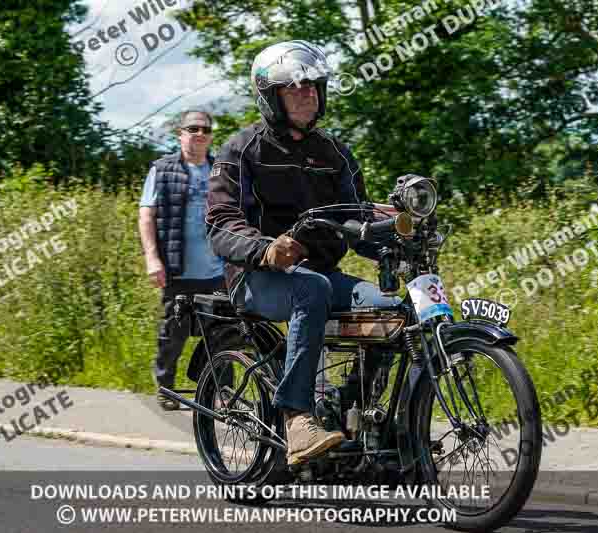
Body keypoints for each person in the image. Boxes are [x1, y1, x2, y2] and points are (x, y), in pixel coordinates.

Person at [205, 41, 401, 466]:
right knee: (309, 288)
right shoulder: (241, 150)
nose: (307, 92)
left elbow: (357, 221)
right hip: (258, 278)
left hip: (322, 276)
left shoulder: (334, 153)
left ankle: (353, 409)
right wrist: (265, 248)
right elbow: (219, 223)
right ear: (270, 95)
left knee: (396, 310)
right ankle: (297, 419)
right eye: (295, 86)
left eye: (314, 85)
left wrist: (399, 231)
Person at [139, 110, 226, 410]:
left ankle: (222, 395)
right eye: (193, 128)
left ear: (211, 136)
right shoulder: (161, 170)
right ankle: (166, 389)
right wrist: (152, 258)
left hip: (217, 273)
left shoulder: (221, 171)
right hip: (177, 270)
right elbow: (146, 214)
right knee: (172, 335)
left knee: (221, 336)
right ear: (181, 134)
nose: (199, 134)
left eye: (205, 129)